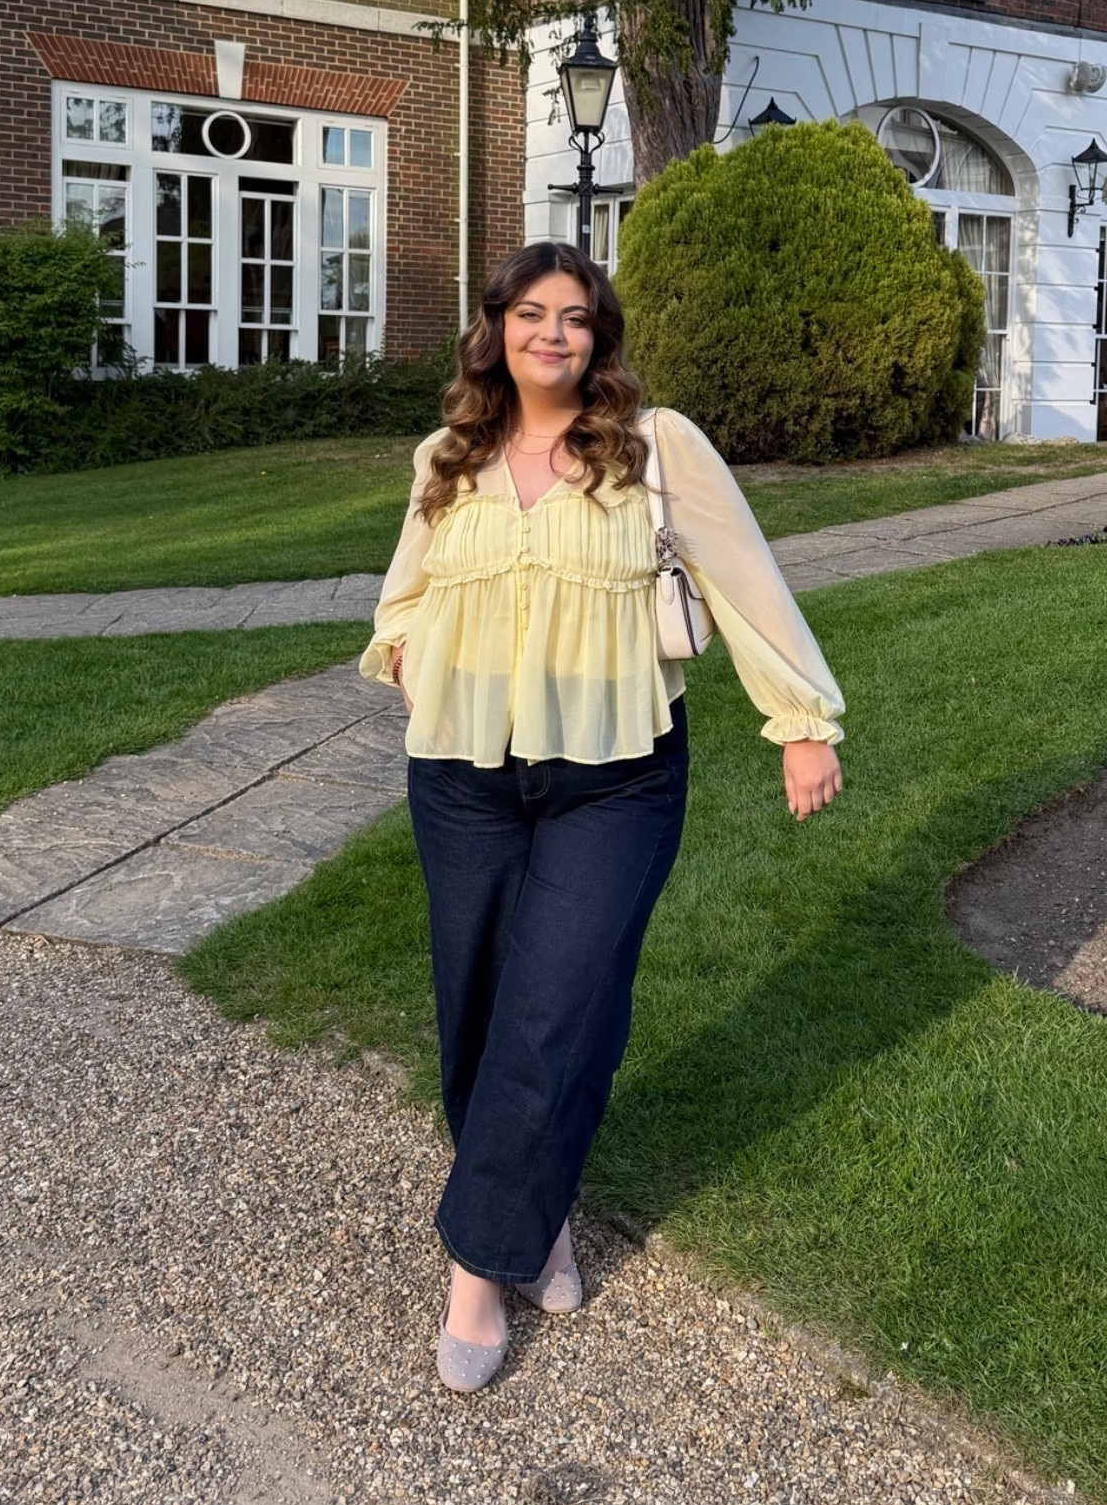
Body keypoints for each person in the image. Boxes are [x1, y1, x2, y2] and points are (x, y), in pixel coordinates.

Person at [360, 241, 844, 1392]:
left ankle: (478, 1267)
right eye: (532, 314)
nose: (553, 335)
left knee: (558, 1008)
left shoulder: (654, 445)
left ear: (600, 335)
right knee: (479, 1010)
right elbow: (403, 595)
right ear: (495, 329)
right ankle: (541, 1213)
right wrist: (411, 659)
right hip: (466, 777)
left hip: (617, 778)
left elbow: (744, 578)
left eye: (576, 317)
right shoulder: (449, 454)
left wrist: (802, 718)